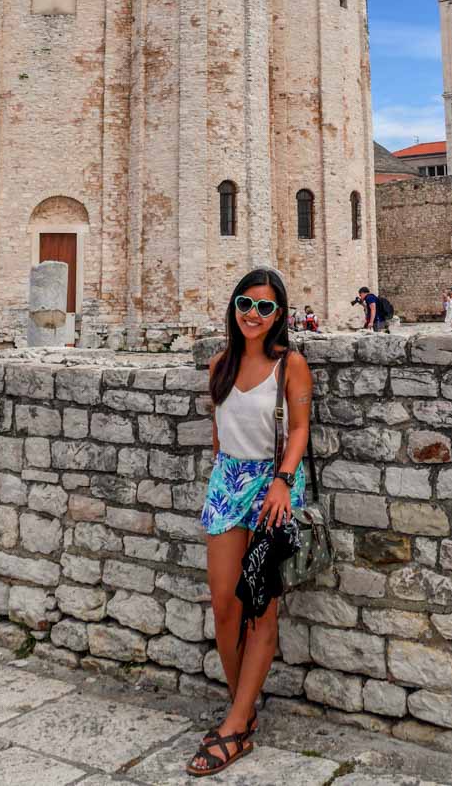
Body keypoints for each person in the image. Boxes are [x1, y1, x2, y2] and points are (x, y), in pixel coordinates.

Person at [191, 268, 312, 776]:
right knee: (224, 604)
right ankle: (245, 705)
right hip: (227, 483)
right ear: (234, 307)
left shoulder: (292, 365)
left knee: (260, 607)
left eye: (265, 307)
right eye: (246, 303)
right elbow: (219, 432)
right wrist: (225, 474)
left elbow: (301, 427)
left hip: (273, 486)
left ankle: (237, 724)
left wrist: (282, 481)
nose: (253, 315)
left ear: (279, 315)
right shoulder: (220, 363)